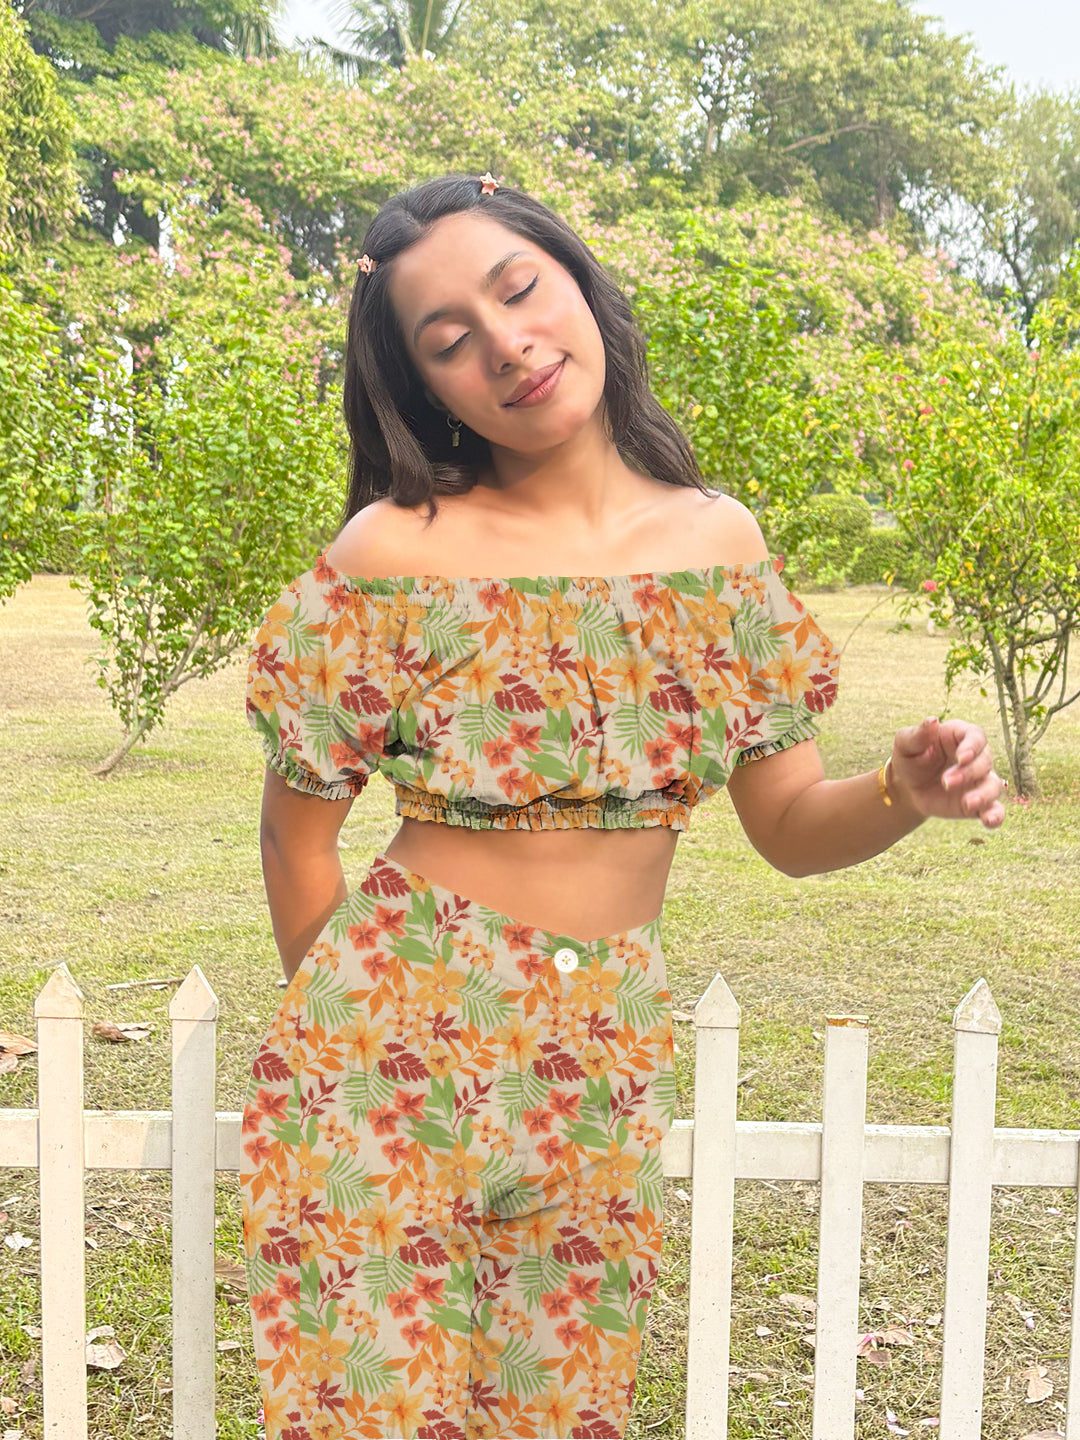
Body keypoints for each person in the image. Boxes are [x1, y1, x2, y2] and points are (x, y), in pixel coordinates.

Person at [238, 172, 1006, 1440]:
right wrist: (358, 1050)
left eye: (518, 289)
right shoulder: (391, 554)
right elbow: (297, 830)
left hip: (598, 1053)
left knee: (558, 1415)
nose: (507, 345)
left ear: (578, 280)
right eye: (450, 342)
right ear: (425, 386)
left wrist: (897, 791)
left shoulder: (718, 546)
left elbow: (789, 827)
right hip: (382, 1040)